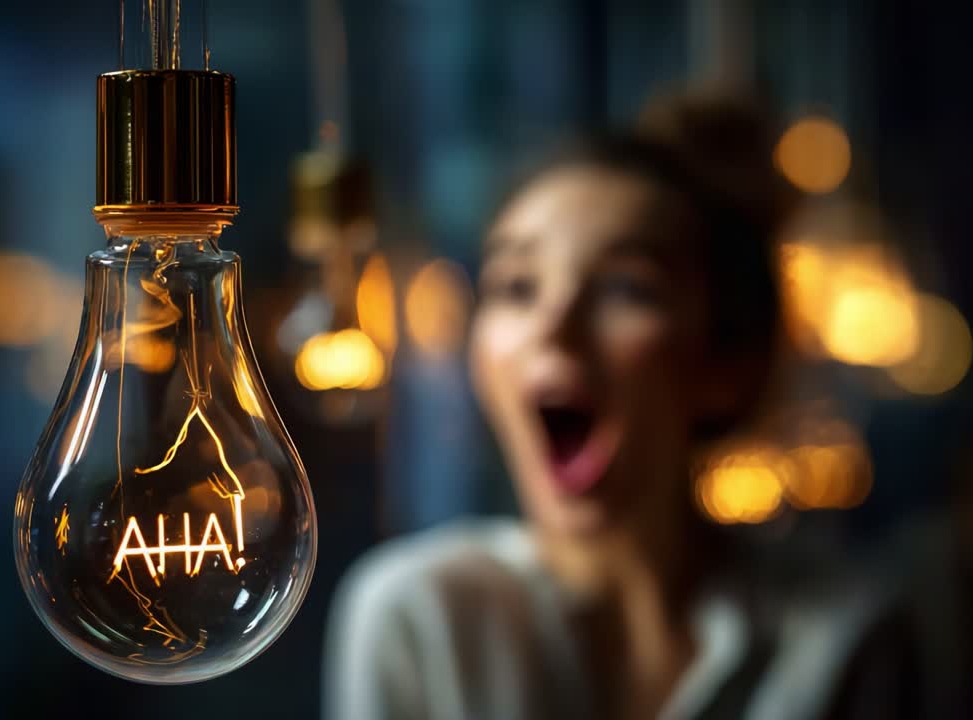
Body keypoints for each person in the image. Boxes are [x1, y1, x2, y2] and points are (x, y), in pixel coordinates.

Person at [323, 95, 924, 720]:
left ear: (725, 365)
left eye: (625, 288)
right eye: (516, 286)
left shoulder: (843, 637)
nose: (552, 330)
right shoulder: (418, 617)